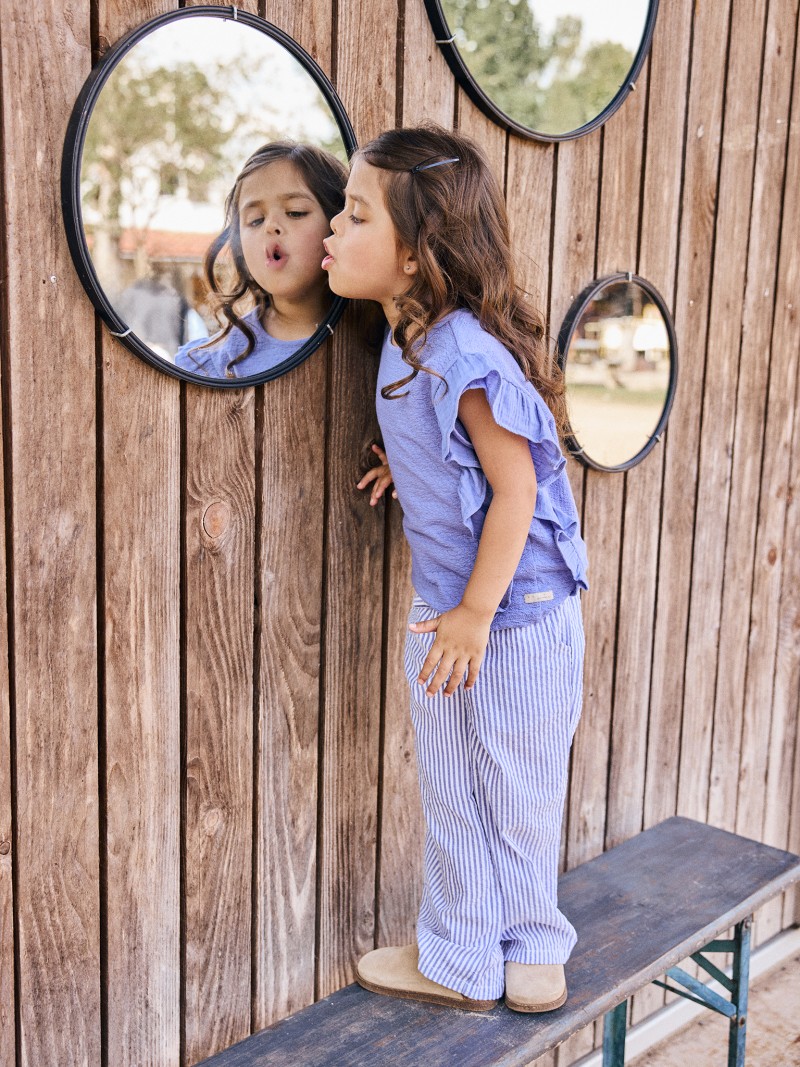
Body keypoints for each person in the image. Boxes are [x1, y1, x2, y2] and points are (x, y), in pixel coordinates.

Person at [322, 124, 589, 1013]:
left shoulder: (467, 354)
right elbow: (465, 458)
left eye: (355, 215)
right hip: (448, 610)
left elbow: (515, 491)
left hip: (513, 617)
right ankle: (464, 954)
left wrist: (475, 615)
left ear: (414, 254)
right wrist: (415, 463)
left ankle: (534, 947)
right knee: (452, 788)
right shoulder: (405, 337)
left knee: (517, 785)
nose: (332, 226)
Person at [175, 141, 347, 378]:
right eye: (256, 220)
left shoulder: (385, 339)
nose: (271, 227)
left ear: (337, 223)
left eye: (295, 212)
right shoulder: (206, 365)